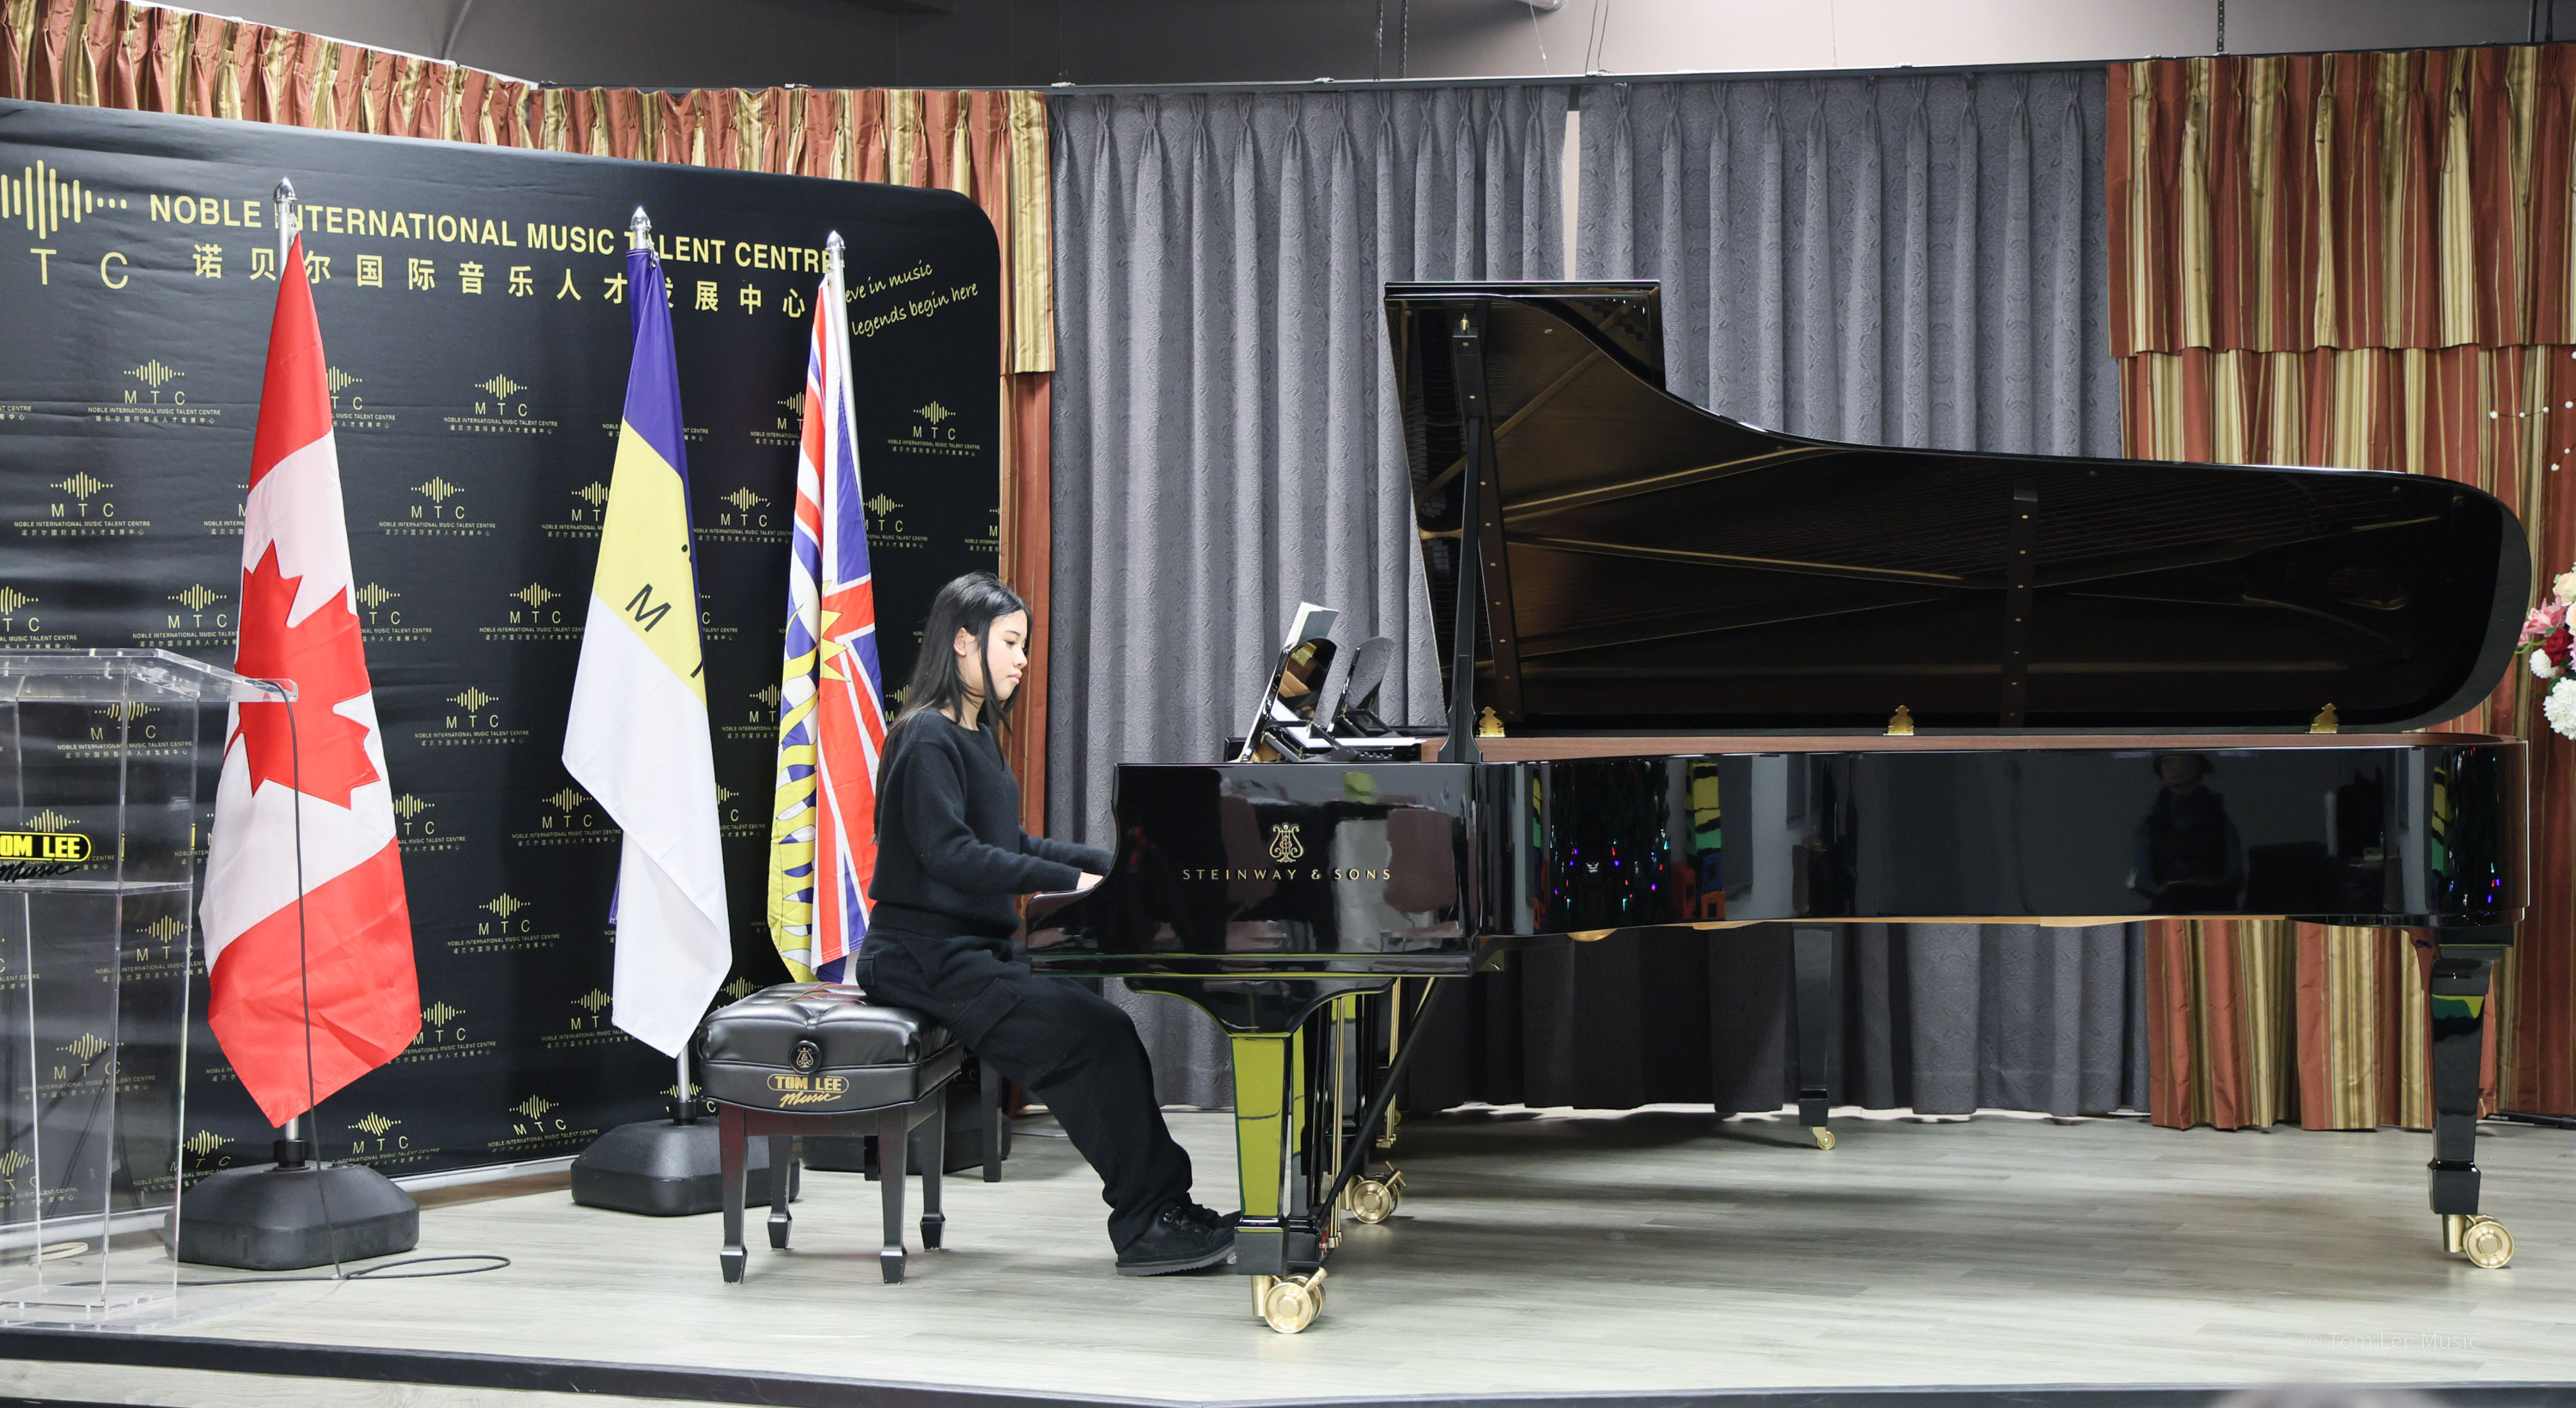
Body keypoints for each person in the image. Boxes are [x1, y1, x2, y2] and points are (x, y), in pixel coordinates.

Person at [848, 573, 1236, 1276]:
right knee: (1100, 1035)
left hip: (972, 950)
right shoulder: (925, 738)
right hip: (921, 956)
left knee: (1103, 1023)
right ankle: (1148, 1223)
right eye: (1010, 642)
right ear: (962, 642)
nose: (1023, 659)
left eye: (1023, 645)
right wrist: (1070, 881)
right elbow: (951, 854)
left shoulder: (976, 736)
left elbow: (1014, 844)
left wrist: (1115, 866)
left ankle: (1164, 1208)